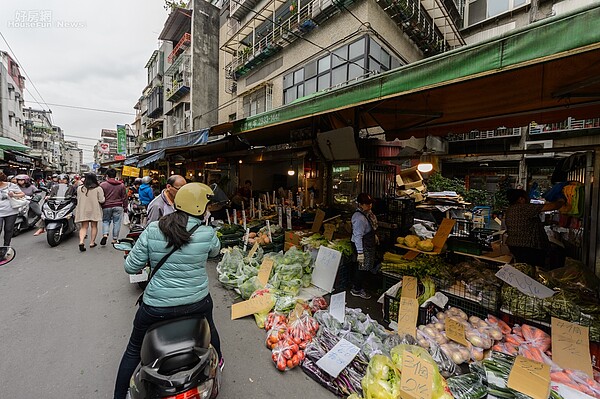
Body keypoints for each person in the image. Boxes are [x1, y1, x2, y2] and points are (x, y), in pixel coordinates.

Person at [113, 183, 223, 399]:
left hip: (156, 307)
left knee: (134, 349)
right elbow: (214, 254)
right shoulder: (207, 233)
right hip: (197, 303)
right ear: (201, 208)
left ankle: (118, 395)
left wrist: (149, 262)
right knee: (211, 329)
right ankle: (219, 361)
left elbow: (131, 267)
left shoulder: (154, 229)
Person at [504, 189, 565, 268]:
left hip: (515, 245)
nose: (528, 199)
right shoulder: (524, 208)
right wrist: (562, 200)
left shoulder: (510, 209)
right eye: (527, 197)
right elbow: (552, 206)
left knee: (524, 269)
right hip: (528, 247)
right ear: (521, 199)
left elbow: (527, 223)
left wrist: (549, 222)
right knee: (533, 271)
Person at [350, 193, 379, 300]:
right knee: (361, 268)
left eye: (370, 203)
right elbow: (358, 236)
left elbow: (371, 227)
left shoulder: (368, 214)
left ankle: (360, 286)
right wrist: (360, 253)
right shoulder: (359, 218)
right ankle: (356, 289)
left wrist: (374, 235)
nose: (369, 205)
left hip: (367, 243)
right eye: (367, 204)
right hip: (361, 245)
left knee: (364, 267)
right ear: (360, 205)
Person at [75, 173, 105, 251]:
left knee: (84, 227)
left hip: (83, 209)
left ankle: (81, 241)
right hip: (94, 209)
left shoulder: (80, 188)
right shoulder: (98, 188)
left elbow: (78, 198)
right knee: (94, 226)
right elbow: (102, 200)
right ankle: (92, 243)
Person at [99, 169, 128, 246]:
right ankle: (114, 239)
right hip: (118, 206)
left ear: (107, 176)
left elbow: (100, 197)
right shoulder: (121, 185)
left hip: (106, 206)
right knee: (117, 222)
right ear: (115, 176)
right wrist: (125, 208)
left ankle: (105, 234)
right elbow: (124, 197)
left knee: (106, 221)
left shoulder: (103, 185)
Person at [0, 172, 25, 248]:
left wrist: (13, 195)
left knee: (8, 229)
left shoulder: (11, 185)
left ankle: (6, 247)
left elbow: (22, 194)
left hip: (11, 211)